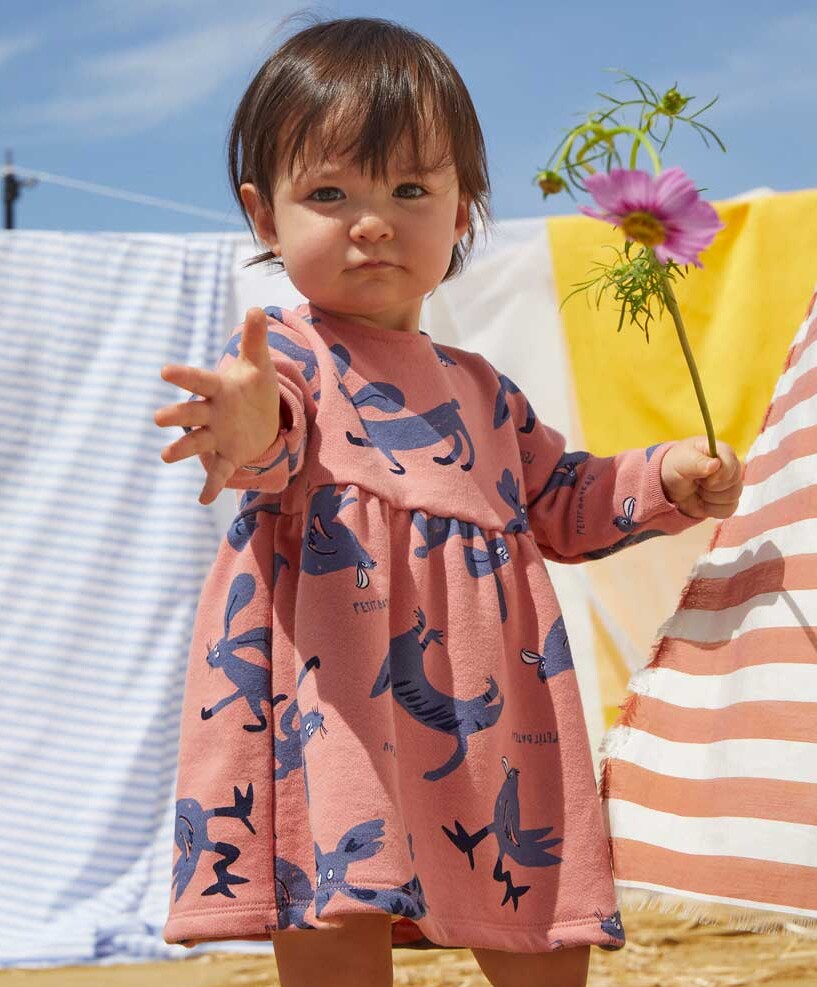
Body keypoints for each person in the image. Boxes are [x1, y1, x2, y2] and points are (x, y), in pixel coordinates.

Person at [153, 16, 743, 987]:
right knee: (337, 899)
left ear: (463, 207)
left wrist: (666, 477)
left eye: (411, 189)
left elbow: (562, 501)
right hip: (336, 705)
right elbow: (271, 441)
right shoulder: (289, 360)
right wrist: (245, 422)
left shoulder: (482, 390)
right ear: (266, 218)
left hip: (498, 716)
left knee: (538, 919)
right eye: (330, 194)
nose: (372, 221)